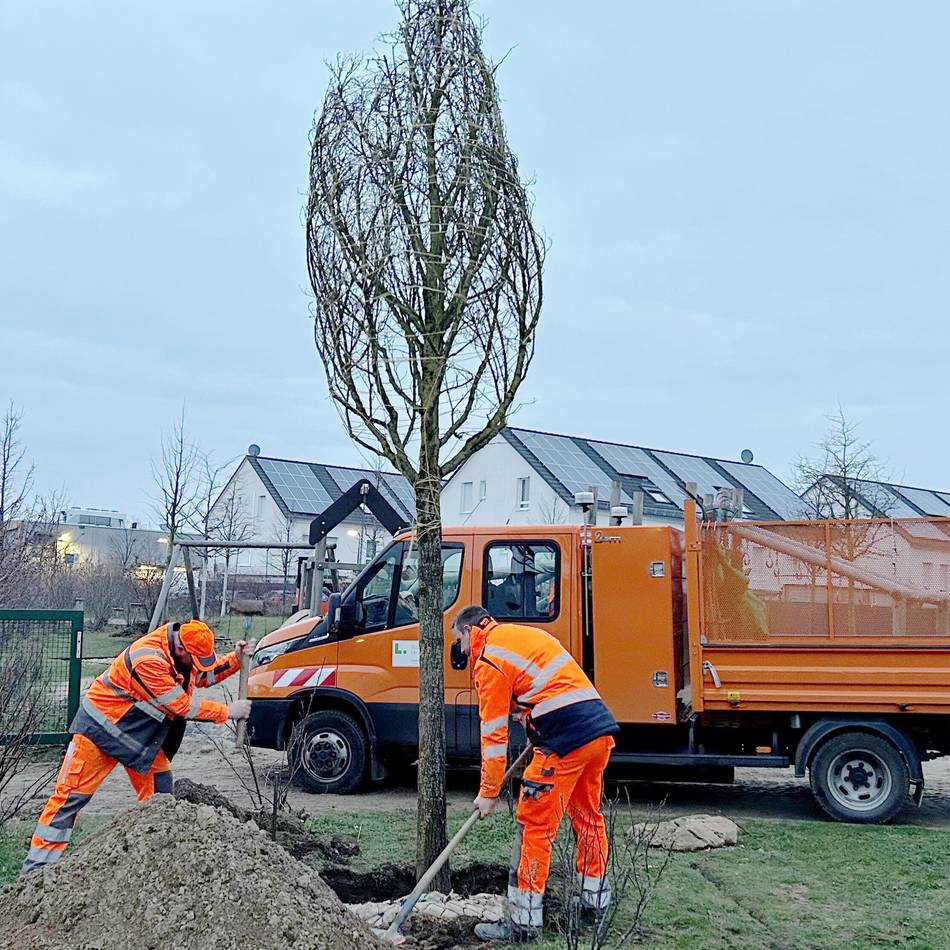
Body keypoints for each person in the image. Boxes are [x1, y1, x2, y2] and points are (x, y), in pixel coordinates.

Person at [21, 619, 254, 875]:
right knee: (69, 800)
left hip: (137, 735)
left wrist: (235, 659)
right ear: (181, 650)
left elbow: (202, 675)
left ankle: (157, 868)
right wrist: (227, 711)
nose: (196, 668)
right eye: (194, 660)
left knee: (161, 800)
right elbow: (180, 706)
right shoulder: (148, 659)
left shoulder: (180, 652)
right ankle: (35, 872)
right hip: (99, 732)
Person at [452, 605, 619, 943]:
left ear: (471, 631)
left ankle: (523, 922)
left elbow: (494, 736)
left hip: (564, 742)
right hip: (597, 733)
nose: (461, 649)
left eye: (459, 639)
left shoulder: (488, 661)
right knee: (588, 818)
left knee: (535, 827)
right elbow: (550, 687)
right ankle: (594, 905)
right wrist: (528, 715)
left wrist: (488, 792)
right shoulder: (522, 636)